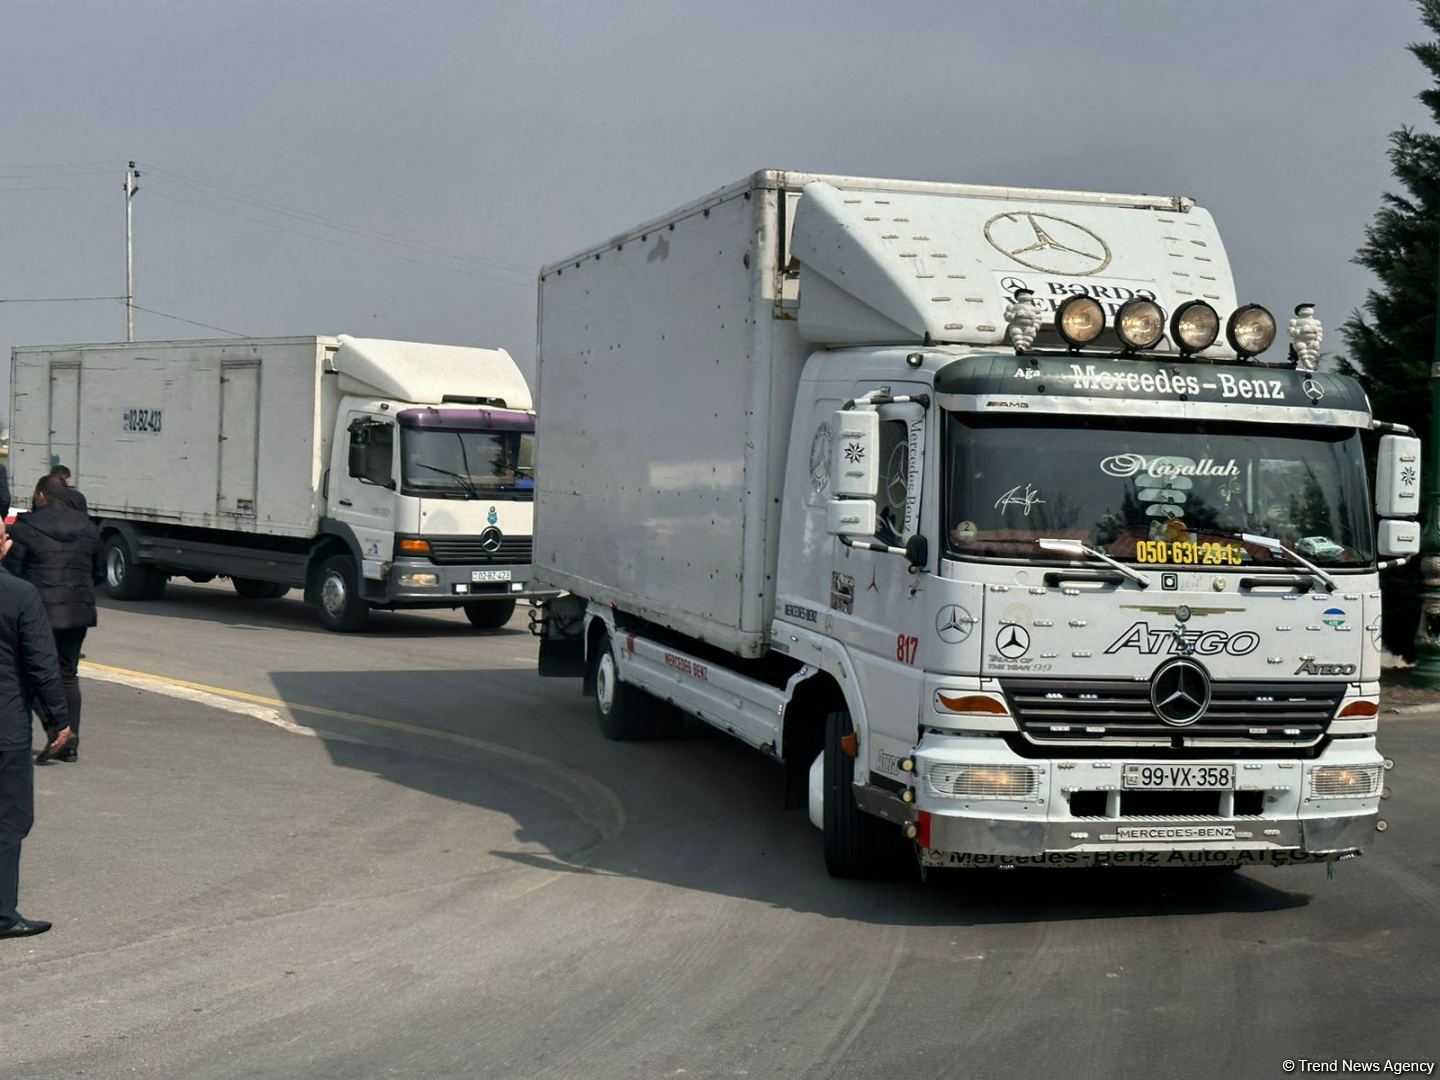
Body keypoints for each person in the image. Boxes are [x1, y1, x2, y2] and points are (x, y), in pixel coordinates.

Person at [0, 519, 70, 938]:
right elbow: (42, 664)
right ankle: (2, 914)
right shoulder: (19, 594)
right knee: (9, 820)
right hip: (5, 727)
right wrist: (58, 719)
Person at [6, 475, 103, 763]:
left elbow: (13, 576)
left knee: (33, 673)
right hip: (77, 613)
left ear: (40, 496)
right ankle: (70, 743)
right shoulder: (89, 528)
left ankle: (57, 732)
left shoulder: (25, 528)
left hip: (39, 614)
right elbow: (97, 573)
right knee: (68, 675)